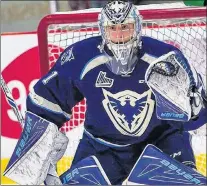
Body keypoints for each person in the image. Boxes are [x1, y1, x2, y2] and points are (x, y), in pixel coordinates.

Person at [4, 0, 206, 185]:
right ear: (103, 30)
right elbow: (47, 102)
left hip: (160, 142)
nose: (119, 35)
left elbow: (192, 118)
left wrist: (196, 109)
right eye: (113, 28)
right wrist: (41, 161)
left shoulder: (163, 58)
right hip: (102, 149)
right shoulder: (81, 57)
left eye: (125, 27)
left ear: (137, 27)